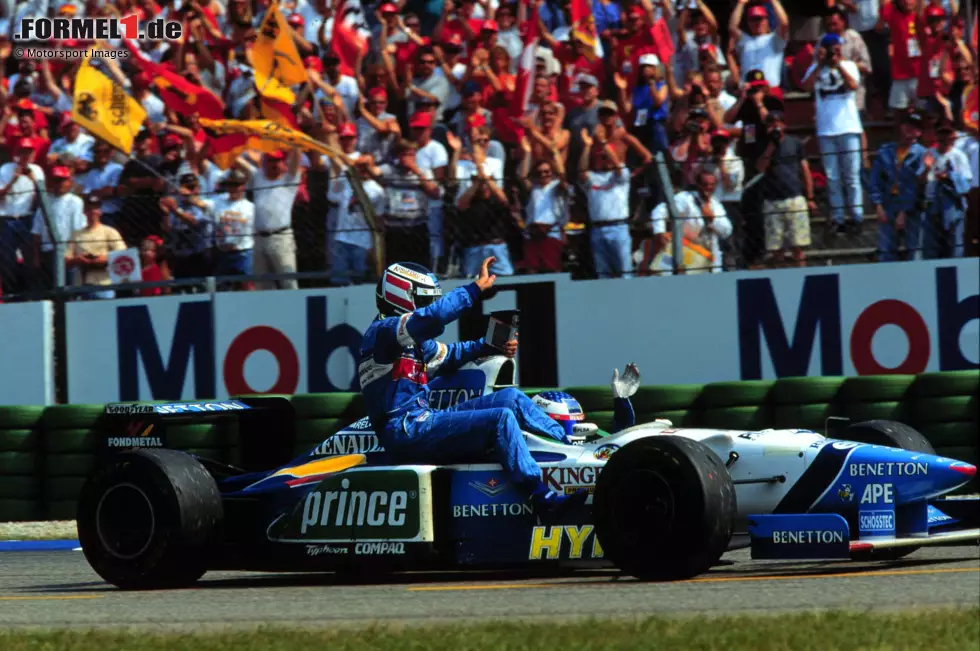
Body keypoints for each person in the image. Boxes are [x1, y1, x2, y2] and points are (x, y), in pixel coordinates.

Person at [359, 258, 589, 516]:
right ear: (401, 295)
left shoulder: (416, 344)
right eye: (425, 299)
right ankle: (540, 496)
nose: (430, 305)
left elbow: (452, 354)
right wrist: (474, 290)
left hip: (423, 421)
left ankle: (570, 447)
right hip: (403, 430)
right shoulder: (383, 333)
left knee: (510, 397)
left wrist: (491, 344)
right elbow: (433, 318)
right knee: (499, 419)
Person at [802, 33, 864, 234]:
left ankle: (856, 216)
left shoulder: (850, 66)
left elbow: (853, 85)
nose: (833, 52)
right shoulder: (816, 68)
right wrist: (820, 64)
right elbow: (805, 86)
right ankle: (838, 217)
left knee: (852, 175)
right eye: (830, 48)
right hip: (826, 129)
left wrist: (838, 65)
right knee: (832, 176)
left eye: (836, 48)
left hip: (848, 127)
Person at [755, 111, 816, 267]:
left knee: (798, 247)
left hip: (794, 199)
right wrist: (771, 146)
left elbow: (805, 171)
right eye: (770, 123)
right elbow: (760, 168)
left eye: (777, 123)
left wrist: (810, 197)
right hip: (772, 201)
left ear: (784, 125)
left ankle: (801, 272)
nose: (774, 126)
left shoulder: (795, 143)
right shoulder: (762, 144)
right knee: (776, 248)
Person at [869, 111, 929, 262]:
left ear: (920, 132)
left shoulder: (922, 153)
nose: (911, 130)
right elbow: (875, 180)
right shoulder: (886, 151)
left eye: (916, 128)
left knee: (914, 250)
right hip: (888, 203)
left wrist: (904, 211)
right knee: (886, 250)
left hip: (912, 207)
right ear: (902, 127)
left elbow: (915, 186)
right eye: (908, 126)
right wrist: (877, 204)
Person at [532, 362, 642, 441]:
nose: (575, 428)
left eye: (576, 423)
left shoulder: (590, 446)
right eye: (568, 423)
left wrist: (621, 398)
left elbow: (621, 437)